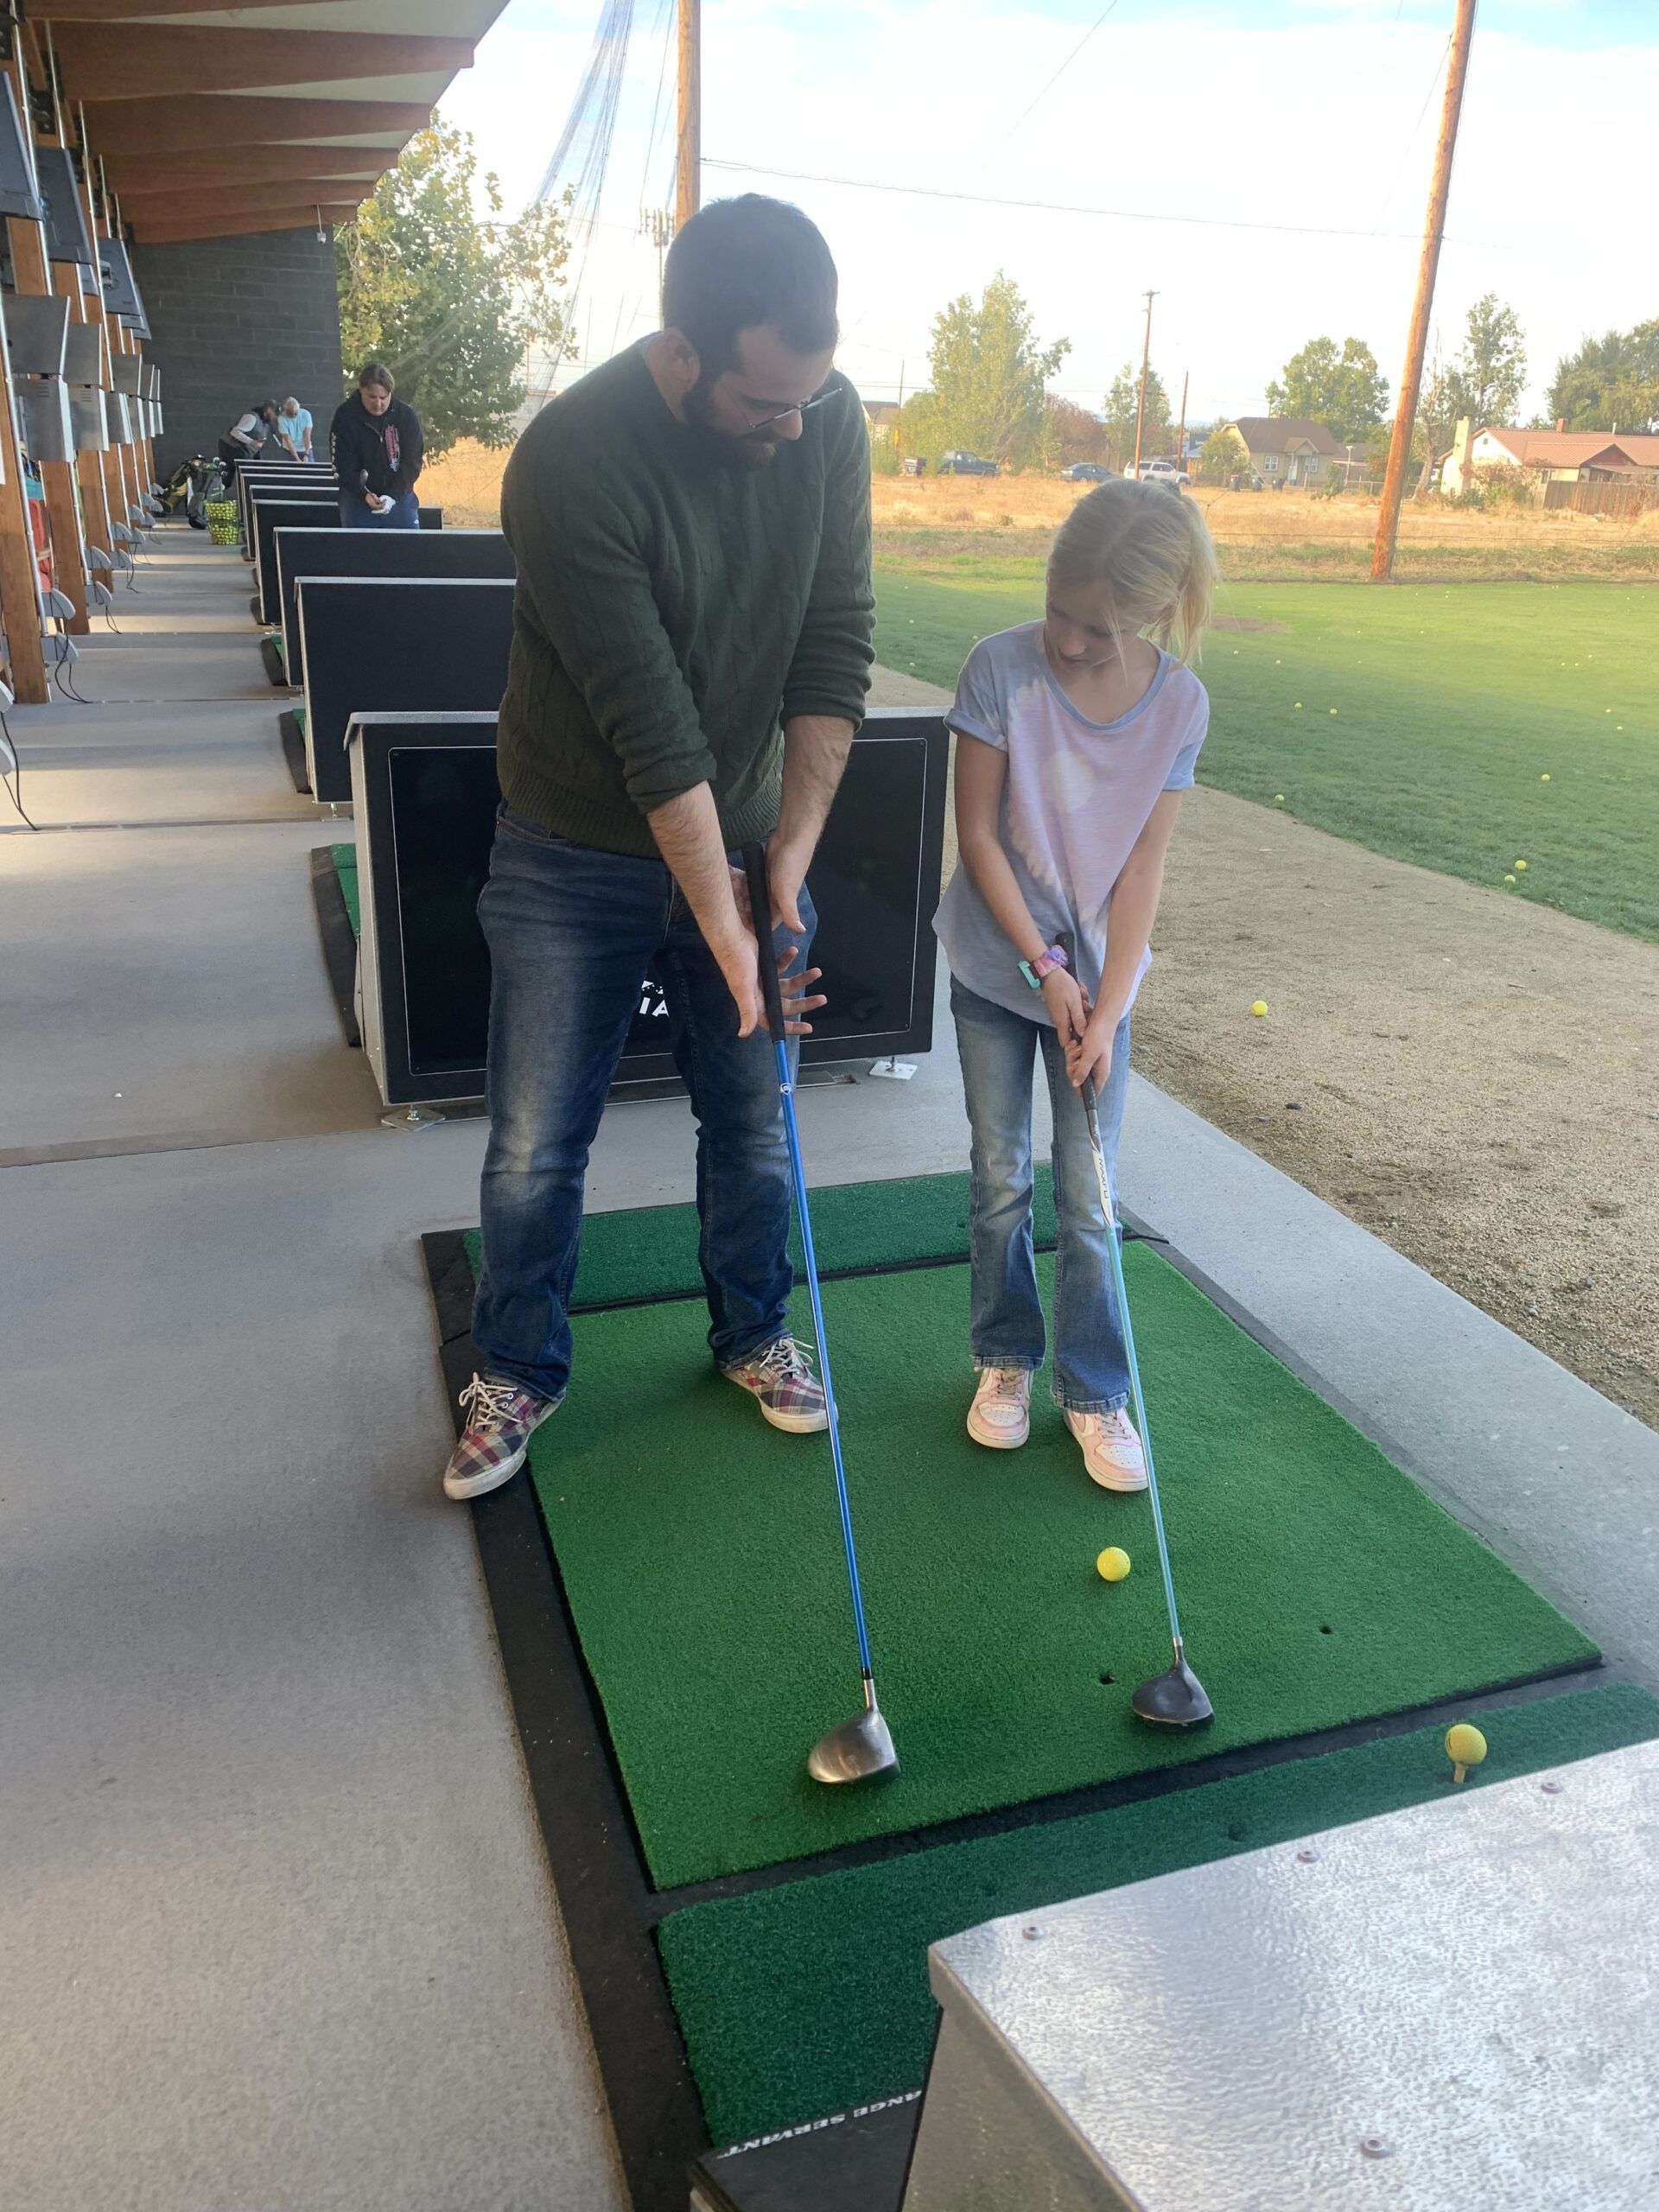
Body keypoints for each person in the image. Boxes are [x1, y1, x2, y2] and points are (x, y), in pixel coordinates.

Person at [442, 194, 874, 1503]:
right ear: (682, 353)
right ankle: (515, 1368)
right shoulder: (572, 457)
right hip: (573, 839)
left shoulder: (827, 415)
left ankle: (752, 1332)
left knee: (751, 1121)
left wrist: (786, 856)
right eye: (764, 404)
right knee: (536, 1141)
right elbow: (654, 736)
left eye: (811, 396)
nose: (792, 427)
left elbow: (835, 640)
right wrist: (732, 929)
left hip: (743, 829)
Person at [937, 478, 1217, 1491]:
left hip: (1101, 989)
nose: (1068, 641)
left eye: (1097, 630)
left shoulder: (1180, 704)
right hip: (993, 963)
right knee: (1002, 1177)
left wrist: (1105, 1002)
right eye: (1060, 611)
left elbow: (1143, 869)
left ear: (1147, 613)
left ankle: (1094, 1390)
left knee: (1091, 1197)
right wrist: (1045, 968)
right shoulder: (999, 669)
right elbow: (977, 838)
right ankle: (1005, 1360)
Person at [328, 363, 423, 528]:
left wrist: (393, 496)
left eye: (383, 398)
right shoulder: (345, 416)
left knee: (409, 548)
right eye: (372, 397)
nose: (378, 403)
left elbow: (412, 462)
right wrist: (364, 494)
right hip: (357, 498)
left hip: (399, 495)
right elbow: (342, 465)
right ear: (361, 390)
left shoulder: (405, 416)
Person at [217, 401, 277, 483]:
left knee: (243, 475)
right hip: (230, 447)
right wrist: (252, 442)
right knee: (227, 477)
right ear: (269, 410)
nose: (275, 417)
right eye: (275, 414)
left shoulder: (266, 425)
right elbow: (235, 432)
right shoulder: (252, 418)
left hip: (243, 451)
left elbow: (257, 444)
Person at [276, 396, 315, 462]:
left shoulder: (306, 414)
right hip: (289, 450)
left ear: (298, 409)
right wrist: (297, 458)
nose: (293, 415)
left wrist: (306, 454)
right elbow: (288, 440)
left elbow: (307, 435)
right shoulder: (282, 418)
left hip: (305, 448)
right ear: (286, 410)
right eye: (290, 413)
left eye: (295, 413)